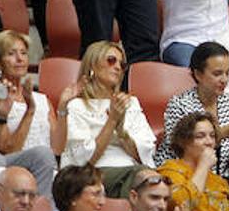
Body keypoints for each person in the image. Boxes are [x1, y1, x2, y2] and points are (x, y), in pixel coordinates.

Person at [57, 41, 156, 196]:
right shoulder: (77, 105)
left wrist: (121, 131)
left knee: (152, 179)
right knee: (145, 180)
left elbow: (143, 154)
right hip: (95, 173)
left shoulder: (130, 103)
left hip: (135, 169)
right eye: (111, 60)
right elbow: (85, 161)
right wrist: (112, 121)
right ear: (93, 65)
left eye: (121, 64)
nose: (117, 67)